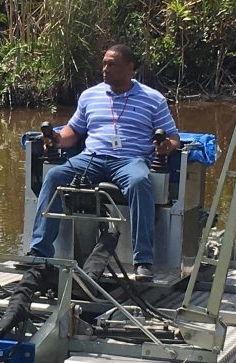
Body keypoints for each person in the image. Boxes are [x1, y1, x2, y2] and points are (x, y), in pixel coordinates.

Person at [28, 44, 180, 281]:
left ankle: (143, 261)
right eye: (104, 63)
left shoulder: (153, 99)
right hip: (92, 158)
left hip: (130, 160)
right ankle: (39, 252)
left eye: (112, 64)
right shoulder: (90, 95)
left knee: (140, 182)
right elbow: (74, 131)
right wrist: (57, 139)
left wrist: (167, 146)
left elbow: (173, 137)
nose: (105, 69)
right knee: (55, 176)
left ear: (131, 68)